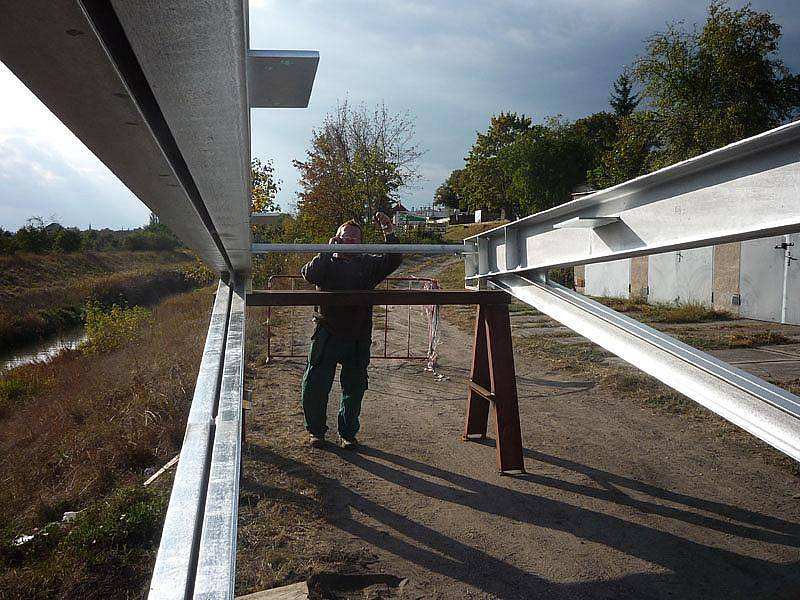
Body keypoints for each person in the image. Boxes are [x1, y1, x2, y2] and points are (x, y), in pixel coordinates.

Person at [300, 212, 403, 449]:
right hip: (327, 332)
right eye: (345, 238)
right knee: (315, 385)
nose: (351, 242)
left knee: (354, 388)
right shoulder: (326, 263)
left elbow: (393, 260)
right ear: (336, 239)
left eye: (356, 239)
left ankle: (347, 433)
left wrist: (389, 232)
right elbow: (309, 274)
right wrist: (327, 252)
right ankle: (316, 431)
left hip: (358, 334)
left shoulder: (368, 264)